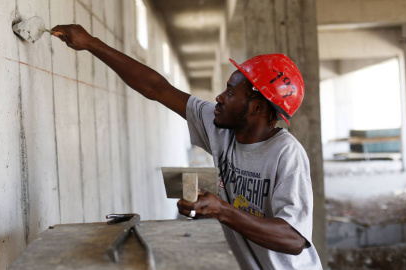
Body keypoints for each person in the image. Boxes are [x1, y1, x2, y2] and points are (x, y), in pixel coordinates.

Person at [51, 24, 323, 270]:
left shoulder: (286, 154)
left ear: (257, 107)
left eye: (230, 92)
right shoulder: (222, 128)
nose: (219, 97)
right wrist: (92, 44)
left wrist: (222, 210)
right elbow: (157, 88)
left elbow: (294, 239)